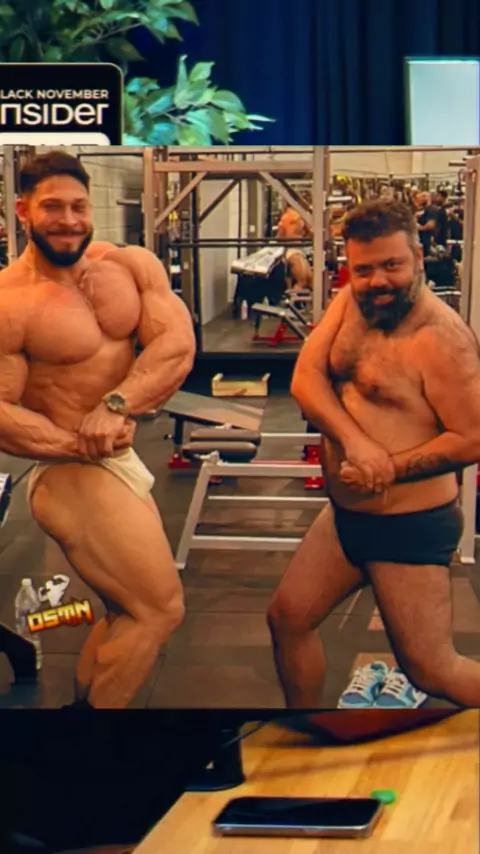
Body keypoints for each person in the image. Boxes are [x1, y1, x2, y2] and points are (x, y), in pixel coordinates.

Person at [0, 151, 196, 709]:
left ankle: (78, 718)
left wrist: (118, 405)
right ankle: (92, 747)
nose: (68, 220)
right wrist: (79, 442)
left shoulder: (128, 265)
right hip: (69, 471)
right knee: (159, 610)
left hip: (116, 459)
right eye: (52, 207)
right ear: (23, 212)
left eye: (78, 206)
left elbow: (176, 343)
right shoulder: (10, 302)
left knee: (125, 610)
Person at [268, 199, 480, 709]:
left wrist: (388, 469)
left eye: (392, 265)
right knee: (289, 619)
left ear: (418, 259)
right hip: (345, 518)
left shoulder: (441, 340)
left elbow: (472, 437)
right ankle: (307, 732)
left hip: (407, 525)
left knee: (433, 669)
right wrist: (357, 443)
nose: (378, 280)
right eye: (363, 269)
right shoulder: (353, 301)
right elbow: (306, 378)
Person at [414, 191, 439, 257]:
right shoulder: (425, 210)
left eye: (420, 198)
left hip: (425, 242)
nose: (419, 200)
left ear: (425, 198)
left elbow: (430, 225)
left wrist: (418, 228)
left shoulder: (431, 209)